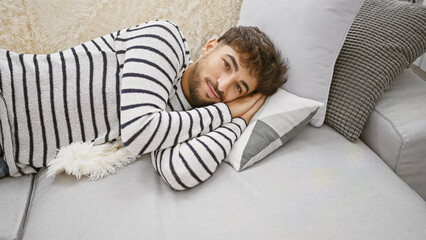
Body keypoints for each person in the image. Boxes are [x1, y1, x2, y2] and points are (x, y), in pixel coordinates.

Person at [0, 20, 287, 189]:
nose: (223, 86)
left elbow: (181, 172)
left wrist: (240, 120)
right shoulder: (166, 39)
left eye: (239, 88)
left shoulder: (183, 122)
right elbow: (140, 130)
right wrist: (227, 111)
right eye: (227, 65)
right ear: (209, 46)